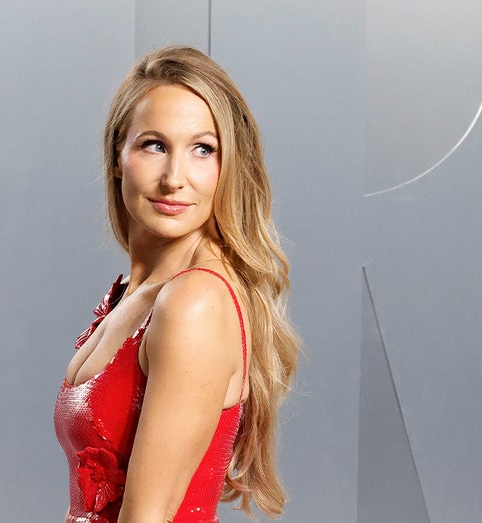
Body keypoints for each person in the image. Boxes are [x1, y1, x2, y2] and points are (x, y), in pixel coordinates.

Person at [54, 45, 300, 523]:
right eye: (154, 145)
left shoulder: (194, 301)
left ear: (230, 166)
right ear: (118, 155)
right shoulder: (136, 293)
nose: (174, 179)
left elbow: (147, 516)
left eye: (203, 150)